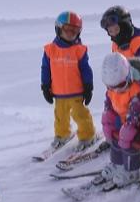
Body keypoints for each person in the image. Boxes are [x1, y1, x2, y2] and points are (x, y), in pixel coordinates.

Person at [40, 11, 99, 154]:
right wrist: (45, 85)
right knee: (60, 116)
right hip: (58, 92)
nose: (70, 33)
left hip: (76, 92)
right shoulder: (50, 50)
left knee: (80, 115)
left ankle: (88, 136)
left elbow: (85, 69)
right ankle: (62, 135)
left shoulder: (79, 50)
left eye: (75, 30)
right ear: (59, 28)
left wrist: (88, 86)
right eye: (67, 29)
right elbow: (45, 69)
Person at [95, 53, 140, 189]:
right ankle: (118, 163)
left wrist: (129, 128)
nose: (116, 90)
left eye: (120, 85)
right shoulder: (114, 87)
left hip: (138, 123)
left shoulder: (138, 89)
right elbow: (109, 104)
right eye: (111, 86)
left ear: (129, 76)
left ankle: (133, 170)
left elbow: (136, 112)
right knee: (115, 138)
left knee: (129, 142)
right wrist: (108, 121)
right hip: (123, 120)